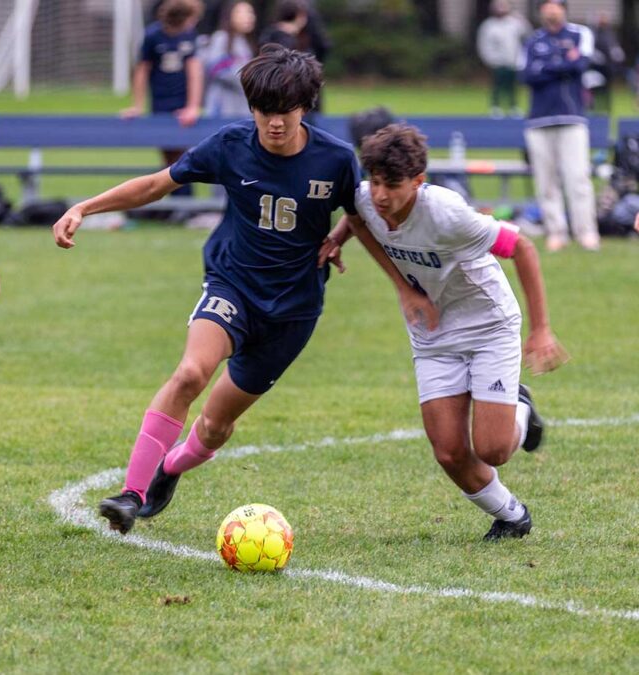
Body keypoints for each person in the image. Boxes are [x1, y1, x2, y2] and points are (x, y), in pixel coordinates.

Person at [53, 46, 433, 535]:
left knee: (213, 426)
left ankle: (170, 469)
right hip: (232, 285)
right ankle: (132, 493)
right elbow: (156, 185)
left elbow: (362, 221)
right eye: (264, 112)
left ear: (305, 107)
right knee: (191, 373)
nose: (275, 123)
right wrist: (84, 207)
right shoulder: (230, 145)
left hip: (293, 311)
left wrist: (398, 283)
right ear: (251, 107)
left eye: (286, 112)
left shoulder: (335, 159)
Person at [320, 124, 569, 540]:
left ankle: (520, 408)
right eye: (376, 182)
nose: (381, 195)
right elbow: (357, 217)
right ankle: (511, 515)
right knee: (449, 451)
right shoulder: (368, 199)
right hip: (432, 331)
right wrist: (350, 247)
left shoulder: (446, 213)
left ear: (418, 182)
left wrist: (541, 330)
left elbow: (522, 247)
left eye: (393, 185)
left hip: (489, 324)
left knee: (493, 449)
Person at [519, 0, 600, 252]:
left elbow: (580, 65)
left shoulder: (579, 34)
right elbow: (526, 75)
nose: (551, 11)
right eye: (546, 6)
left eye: (555, 6)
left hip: (572, 118)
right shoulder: (532, 40)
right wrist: (561, 65)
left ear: (563, 9)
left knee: (577, 178)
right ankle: (556, 232)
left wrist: (546, 67)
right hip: (539, 120)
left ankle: (586, 232)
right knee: (546, 181)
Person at [123, 0, 205, 199]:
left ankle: (184, 203)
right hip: (160, 102)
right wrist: (137, 106)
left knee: (182, 154)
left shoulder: (189, 36)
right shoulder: (152, 36)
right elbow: (142, 70)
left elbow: (194, 71)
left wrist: (192, 106)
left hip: (181, 104)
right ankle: (174, 204)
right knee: (168, 155)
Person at [200, 0, 256, 118]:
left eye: (250, 12)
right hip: (222, 110)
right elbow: (218, 69)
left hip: (241, 110)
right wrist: (252, 82)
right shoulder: (221, 38)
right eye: (241, 12)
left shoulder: (244, 42)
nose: (249, 17)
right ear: (229, 16)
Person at [476, 0, 531, 118]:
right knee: (498, 85)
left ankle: (513, 106)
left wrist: (521, 19)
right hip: (498, 62)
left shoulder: (514, 23)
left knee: (513, 86)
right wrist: (490, 59)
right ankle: (495, 106)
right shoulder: (488, 25)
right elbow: (484, 44)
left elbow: (527, 34)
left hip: (513, 60)